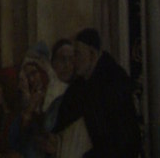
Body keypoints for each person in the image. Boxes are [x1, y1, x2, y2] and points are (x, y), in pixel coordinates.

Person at [52, 28, 140, 158]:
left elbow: (123, 140)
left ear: (92, 54)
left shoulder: (114, 81)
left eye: (77, 54)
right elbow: (64, 118)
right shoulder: (81, 83)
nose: (73, 61)